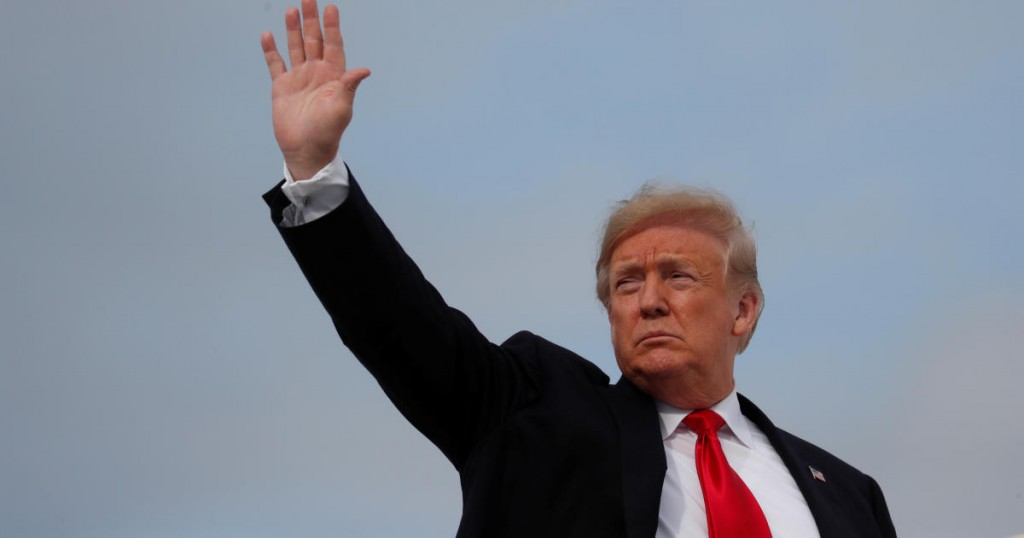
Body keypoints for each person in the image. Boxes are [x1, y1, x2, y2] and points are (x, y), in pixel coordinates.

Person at [259, 1, 898, 536]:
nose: (647, 301)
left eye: (677, 277)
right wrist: (315, 173)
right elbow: (399, 325)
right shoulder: (534, 412)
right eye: (626, 283)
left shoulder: (847, 494)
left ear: (743, 308)